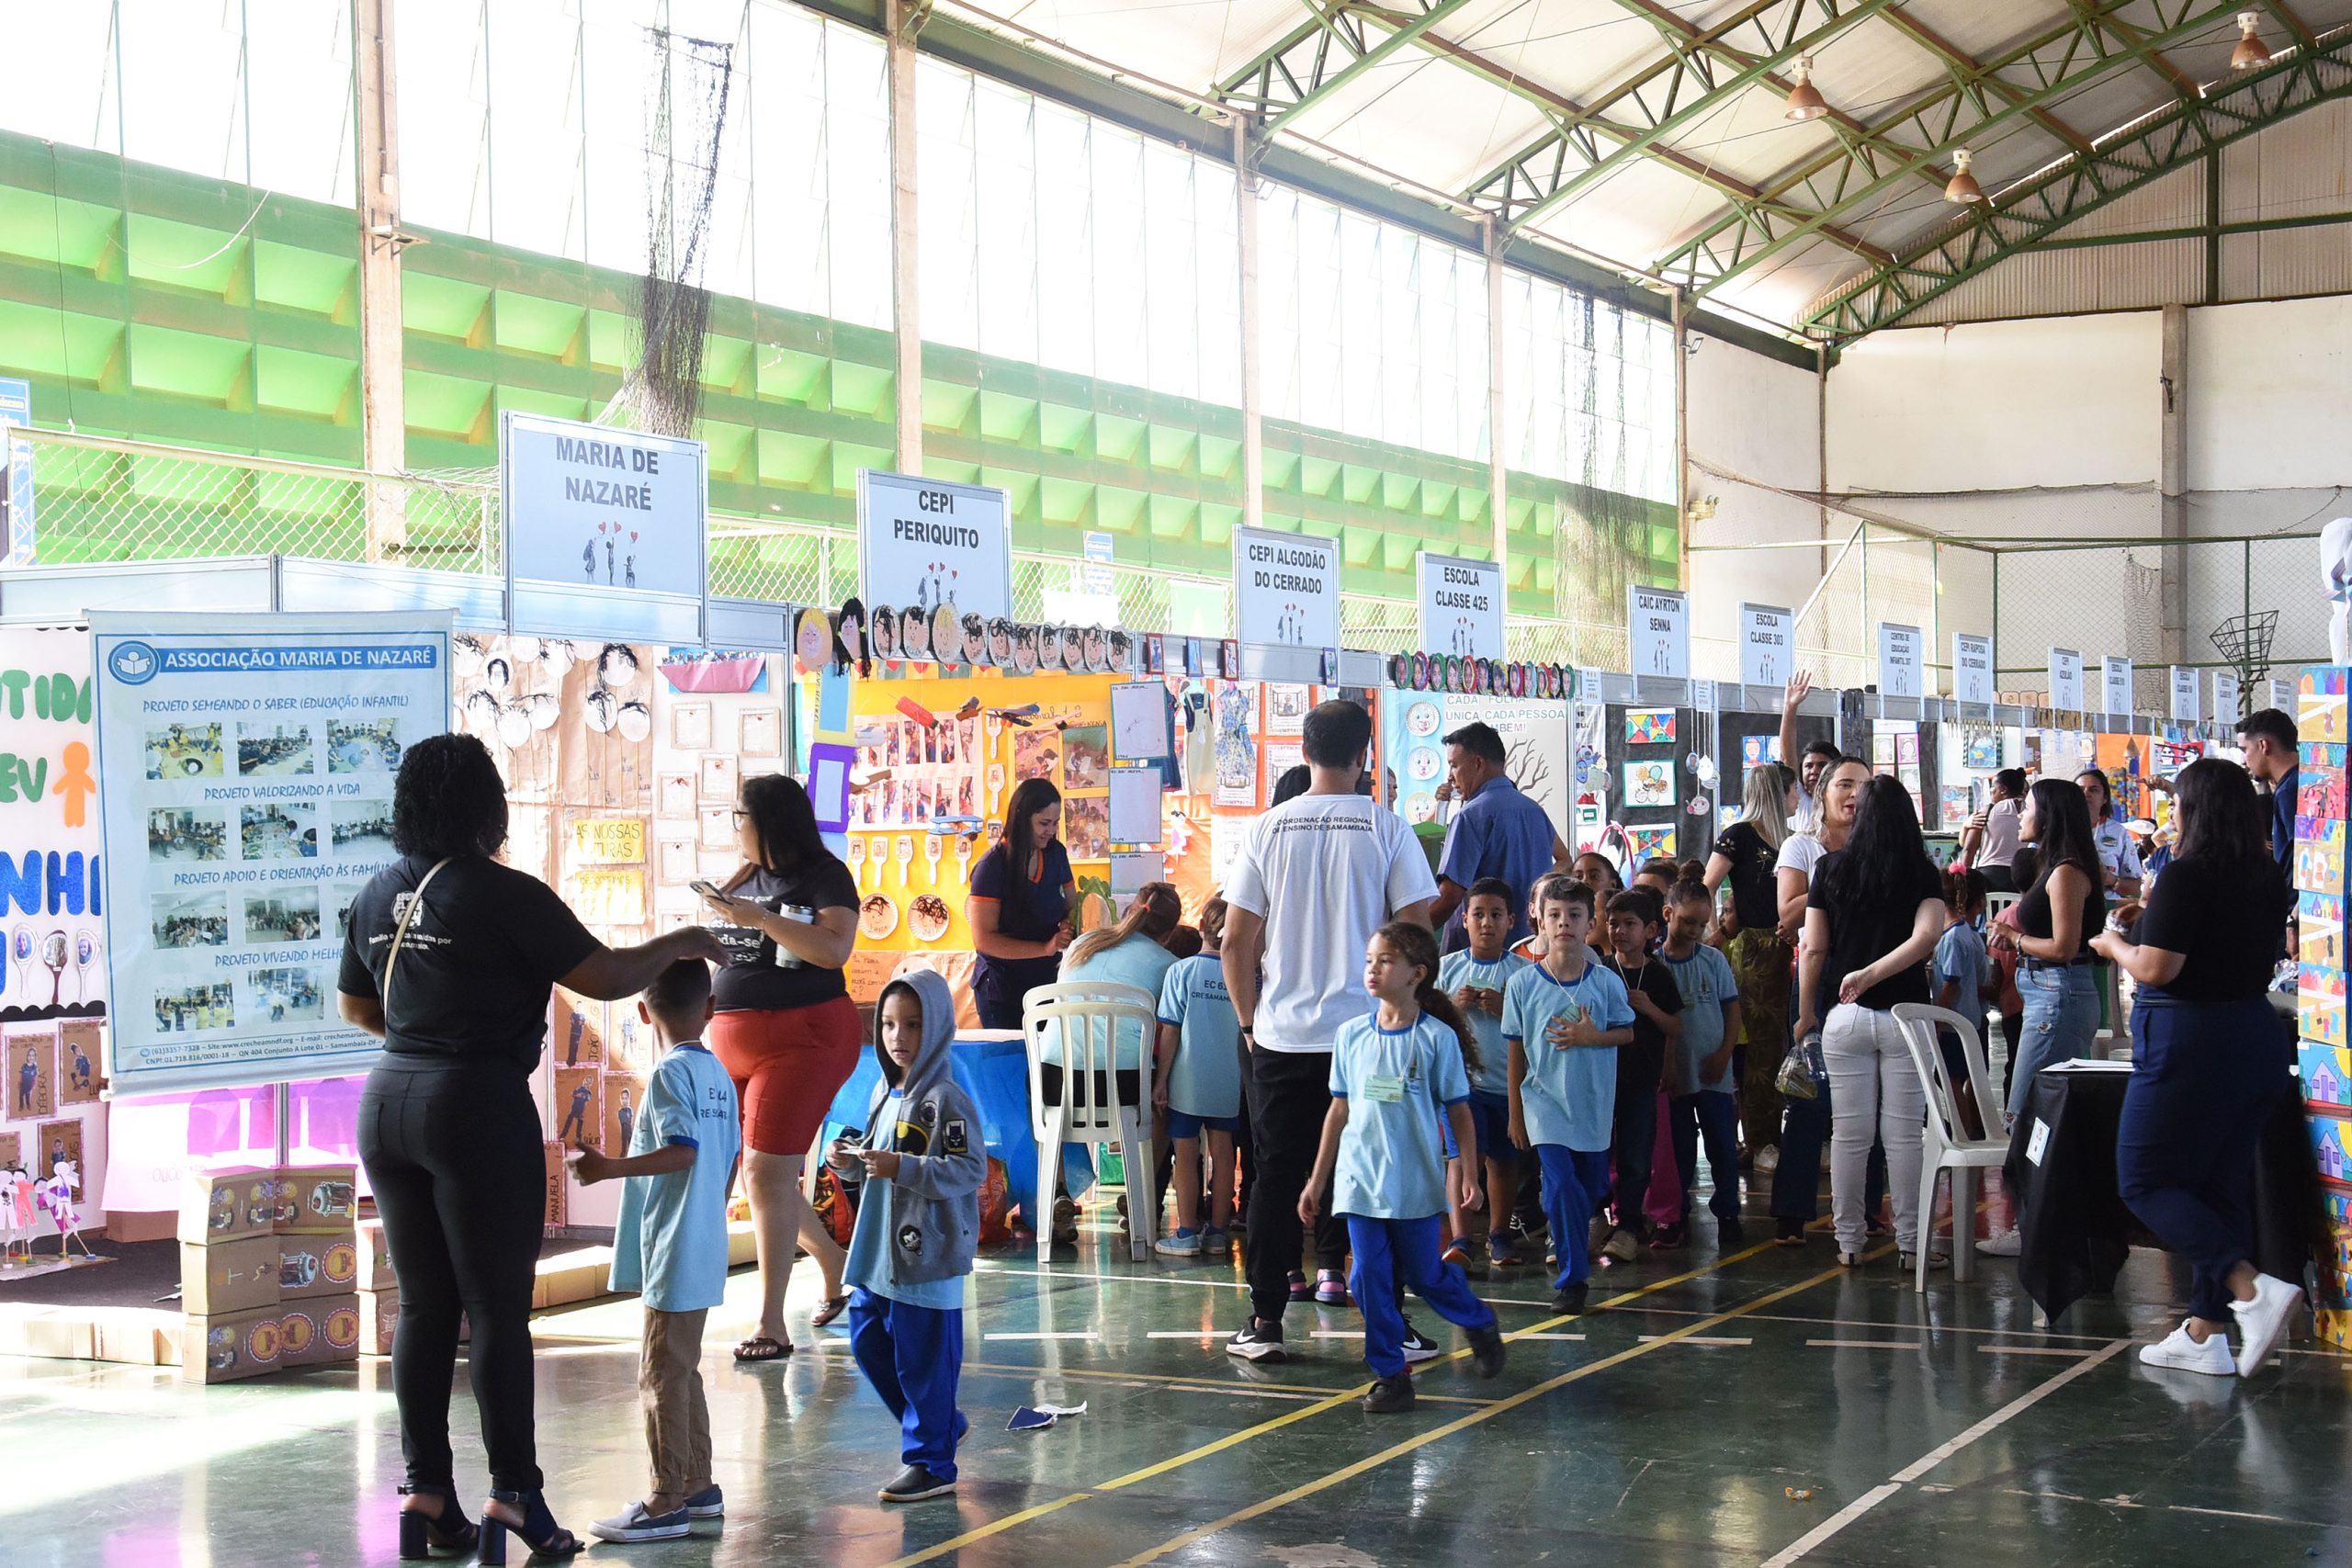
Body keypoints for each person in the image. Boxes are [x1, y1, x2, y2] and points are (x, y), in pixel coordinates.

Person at [341, 734, 724, 1562]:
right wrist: (682, 942)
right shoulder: (504, 892)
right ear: (487, 806)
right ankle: (515, 1497)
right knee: (497, 1312)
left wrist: (421, 1036)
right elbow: (611, 974)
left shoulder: (378, 892)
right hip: (474, 1108)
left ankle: (425, 1493)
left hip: (387, 1104)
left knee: (423, 1306)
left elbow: (354, 1008)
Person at [1223, 700, 1438, 1361]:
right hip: (1371, 1038)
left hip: (1284, 1037)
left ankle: (1264, 1323)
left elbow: (1234, 942)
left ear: (1304, 752)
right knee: (1377, 1176)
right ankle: (1391, 1324)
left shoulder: (1266, 829)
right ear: (1365, 755)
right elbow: (1418, 934)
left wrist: (1250, 1023)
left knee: (1277, 1178)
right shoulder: (1387, 829)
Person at [2093, 758, 2303, 1378]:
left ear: (2195, 809)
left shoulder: (2188, 874)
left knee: (2143, 1179)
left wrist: (2111, 944)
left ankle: (2251, 1289)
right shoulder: (2264, 874)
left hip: (2190, 1039)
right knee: (2218, 1183)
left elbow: (2157, 968)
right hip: (2254, 1037)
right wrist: (2150, 917)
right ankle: (2205, 1331)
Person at [1299, 920, 1508, 1412]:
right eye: (1370, 960)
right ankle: (1392, 1373)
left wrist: (1471, 1174)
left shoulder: (1436, 1039)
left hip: (1413, 1183)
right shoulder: (1350, 1036)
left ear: (1417, 973)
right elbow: (1340, 1110)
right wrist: (1317, 1180)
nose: (1373, 969)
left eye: (1385, 961)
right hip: (1359, 1182)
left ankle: (1477, 1320)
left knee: (1425, 1276)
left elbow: (1459, 1111)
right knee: (1366, 1277)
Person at [571, 961, 740, 1545]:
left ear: (642, 1012)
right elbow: (727, 1160)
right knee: (682, 1368)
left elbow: (683, 1151)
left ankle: (665, 1498)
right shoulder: (717, 1074)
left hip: (676, 1244)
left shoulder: (669, 1074)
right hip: (702, 1241)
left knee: (660, 1372)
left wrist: (608, 1168)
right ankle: (698, 1484)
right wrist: (707, 1217)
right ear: (711, 1007)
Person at [698, 774, 863, 1362]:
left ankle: (771, 1323)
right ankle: (834, 1261)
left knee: (766, 1176)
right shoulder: (744, 875)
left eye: (739, 814)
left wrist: (761, 919)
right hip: (733, 1036)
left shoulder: (825, 875)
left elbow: (833, 949)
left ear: (768, 821)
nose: (734, 825)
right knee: (751, 1173)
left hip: (804, 1037)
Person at [825, 970, 984, 1503]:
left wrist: (904, 1167)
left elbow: (967, 1170)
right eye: (889, 1024)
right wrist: (849, 1164)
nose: (898, 1037)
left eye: (913, 1025)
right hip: (878, 1254)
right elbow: (876, 1160)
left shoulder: (946, 1099)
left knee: (924, 1360)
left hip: (925, 1257)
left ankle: (932, 1462)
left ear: (936, 1026)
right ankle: (940, 1424)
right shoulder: (881, 1090)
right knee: (868, 1341)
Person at [1796, 775, 1948, 1271]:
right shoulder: (1924, 874)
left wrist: (1806, 1013)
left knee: (1849, 1134)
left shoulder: (1830, 870)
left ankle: (1849, 1244)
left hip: (1846, 1018)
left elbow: (1813, 948)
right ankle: (1911, 1244)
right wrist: (1877, 973)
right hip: (1908, 1018)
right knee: (1904, 1136)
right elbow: (1926, 938)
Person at [1504, 877, 1636, 1313]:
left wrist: (1590, 1037)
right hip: (1543, 1103)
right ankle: (1572, 1277)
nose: (1564, 923)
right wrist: (1516, 1113)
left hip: (1592, 1104)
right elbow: (1516, 1050)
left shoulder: (1605, 983)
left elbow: (1626, 1032)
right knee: (1560, 1185)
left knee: (1589, 1187)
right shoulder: (1523, 984)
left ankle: (1575, 1237)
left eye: (1574, 916)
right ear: (1538, 918)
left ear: (1590, 924)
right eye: (1555, 914)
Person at [1770, 755, 1885, 1245]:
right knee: (1810, 1098)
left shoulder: (1881, 851)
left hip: (1871, 978)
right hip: (1816, 978)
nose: (1853, 794)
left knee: (1873, 1102)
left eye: (1863, 785)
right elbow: (1788, 915)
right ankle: (1791, 1213)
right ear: (1824, 791)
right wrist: (1831, 878)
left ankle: (1867, 1208)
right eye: (1844, 784)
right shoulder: (1802, 847)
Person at [1991, 779, 2105, 1121]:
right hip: (2049, 991)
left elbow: (2064, 946)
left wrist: (2014, 938)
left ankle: (2028, 1173)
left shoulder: (2066, 871)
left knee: (2024, 1110)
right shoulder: (2053, 866)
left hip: (2058, 993)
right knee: (2046, 1109)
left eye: (2027, 807)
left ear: (2048, 815)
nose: (2021, 815)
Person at [1706, 762, 1797, 1174]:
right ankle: (1760, 1139)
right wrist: (1715, 935)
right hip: (1753, 949)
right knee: (1757, 1048)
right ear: (1777, 794)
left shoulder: (1789, 840)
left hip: (1782, 948)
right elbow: (1707, 884)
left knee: (1776, 1044)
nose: (1798, 798)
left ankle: (1769, 1134)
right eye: (1793, 791)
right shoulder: (1739, 835)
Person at [1438, 877, 1532, 1267]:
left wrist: (1505, 1008)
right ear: (1464, 920)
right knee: (1462, 1160)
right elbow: (1427, 1025)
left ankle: (1499, 1234)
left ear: (1511, 921)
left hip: (1507, 1086)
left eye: (1496, 915)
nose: (1487, 923)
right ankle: (1461, 1237)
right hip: (1462, 1087)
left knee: (1503, 1162)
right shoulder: (1447, 969)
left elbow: (1534, 1027)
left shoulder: (1523, 974)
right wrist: (1453, 1010)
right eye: (1478, 914)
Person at [1154, 897, 1244, 1258]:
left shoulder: (1181, 972)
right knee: (1224, 1158)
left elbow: (1170, 1032)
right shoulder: (1242, 973)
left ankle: (1187, 1232)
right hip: (1228, 1079)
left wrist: (1161, 1081)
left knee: (1185, 1156)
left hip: (1187, 1080)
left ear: (1202, 927)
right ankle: (1218, 1234)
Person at [1426, 722, 1570, 947]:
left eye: (1454, 766)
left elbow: (1450, 897)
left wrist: (1408, 936)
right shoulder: (1535, 811)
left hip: (1477, 957)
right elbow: (1564, 860)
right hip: (1531, 949)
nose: (1450, 777)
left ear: (1478, 763)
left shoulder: (1470, 816)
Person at [1597, 889, 1680, 1259]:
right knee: (1599, 1150)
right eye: (1613, 923)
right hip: (1601, 1078)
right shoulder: (1598, 971)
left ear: (1649, 930)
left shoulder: (1659, 975)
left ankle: (1630, 1223)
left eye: (1629, 924)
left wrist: (1648, 1009)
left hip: (1642, 1079)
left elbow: (1676, 1027)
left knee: (1636, 1153)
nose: (1619, 931)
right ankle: (1596, 1216)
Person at [1659, 878, 1743, 1248]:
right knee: (1678, 1148)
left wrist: (1724, 1054)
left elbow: (1732, 1009)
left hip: (1713, 1071)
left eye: (1701, 924)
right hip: (1675, 1075)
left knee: (1722, 1144)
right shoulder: (1655, 965)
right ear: (1667, 915)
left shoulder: (1714, 960)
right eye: (1687, 921)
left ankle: (1728, 1212)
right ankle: (1677, 1212)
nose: (1694, 930)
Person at [967, 777, 1075, 1030]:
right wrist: (1045, 947)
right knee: (1012, 1063)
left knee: (1043, 1063)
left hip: (1046, 980)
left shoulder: (1055, 853)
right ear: (1021, 819)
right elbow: (984, 940)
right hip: (1002, 988)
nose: (1051, 831)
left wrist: (1067, 926)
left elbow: (1071, 903)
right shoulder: (991, 867)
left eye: (1055, 823)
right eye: (1044, 823)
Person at [1933, 866, 1994, 1138]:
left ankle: (1963, 1131)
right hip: (1971, 1018)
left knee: (1950, 1078)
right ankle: (1971, 1128)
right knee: (1964, 1075)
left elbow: (1951, 982)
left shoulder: (1953, 938)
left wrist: (1937, 1017)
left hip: (1953, 1022)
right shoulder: (1966, 933)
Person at [2234, 707, 2299, 876]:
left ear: (2264, 745)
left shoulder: (2289, 791)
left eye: (2244, 750)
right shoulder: (2298, 783)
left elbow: (2304, 858)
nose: (2243, 760)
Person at [1776, 671, 1840, 827]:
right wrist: (1790, 706)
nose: (1814, 771)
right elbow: (1787, 757)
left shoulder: (1846, 804)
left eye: (1822, 765)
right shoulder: (1800, 799)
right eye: (1808, 766)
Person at [2077, 769, 2144, 897]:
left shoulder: (2118, 832)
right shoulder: (2060, 828)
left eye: (2093, 789)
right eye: (2080, 790)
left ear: (2105, 798)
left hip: (2107, 909)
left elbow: (2134, 887)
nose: (2086, 794)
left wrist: (2110, 880)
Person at [1961, 768, 2029, 894]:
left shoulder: (1988, 810)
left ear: (2003, 790)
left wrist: (1962, 883)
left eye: (1993, 788)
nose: (1991, 792)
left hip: (1990, 876)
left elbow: (1968, 849)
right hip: (2021, 879)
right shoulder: (2030, 810)